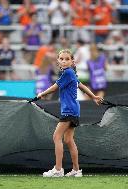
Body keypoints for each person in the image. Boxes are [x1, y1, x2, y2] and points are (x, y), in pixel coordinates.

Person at [36, 49, 103, 177]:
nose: (64, 61)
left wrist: (42, 94)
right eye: (61, 59)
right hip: (74, 109)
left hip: (69, 110)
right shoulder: (71, 73)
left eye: (67, 59)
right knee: (68, 139)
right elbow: (81, 85)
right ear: (58, 61)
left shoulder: (68, 73)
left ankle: (58, 169)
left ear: (72, 61)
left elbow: (55, 86)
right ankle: (76, 170)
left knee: (57, 137)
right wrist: (94, 96)